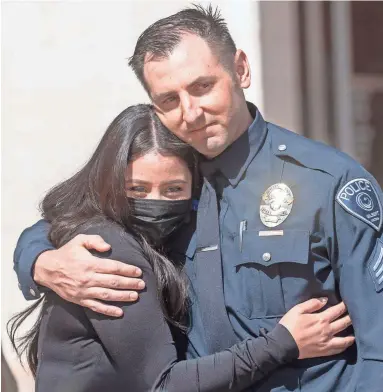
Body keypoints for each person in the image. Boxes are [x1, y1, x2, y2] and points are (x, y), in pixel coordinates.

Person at [13, 4, 382, 392]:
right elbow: (69, 220)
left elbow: (378, 349)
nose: (190, 113)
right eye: (169, 100)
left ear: (240, 70)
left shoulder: (327, 182)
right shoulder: (165, 182)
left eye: (203, 86)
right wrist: (40, 260)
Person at [8, 104, 353, 392]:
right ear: (109, 181)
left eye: (173, 189)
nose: (155, 203)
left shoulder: (180, 227)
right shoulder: (107, 251)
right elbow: (164, 383)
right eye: (137, 189)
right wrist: (282, 343)